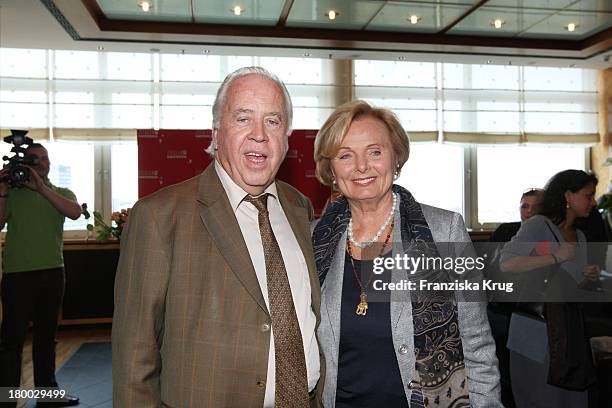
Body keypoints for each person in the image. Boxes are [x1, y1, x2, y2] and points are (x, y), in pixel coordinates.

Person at [112, 67, 322, 407]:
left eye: (273, 121)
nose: (259, 134)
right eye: (243, 119)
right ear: (215, 131)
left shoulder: (300, 208)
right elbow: (134, 358)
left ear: (286, 138)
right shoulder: (159, 217)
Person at [311, 100, 501, 407]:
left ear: (395, 157)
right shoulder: (312, 240)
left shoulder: (444, 231)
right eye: (346, 155)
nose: (361, 166)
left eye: (375, 151)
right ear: (331, 169)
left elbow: (476, 345)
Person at [500, 169, 601, 407]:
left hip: (567, 330)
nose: (594, 201)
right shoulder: (538, 226)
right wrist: (555, 257)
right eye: (589, 195)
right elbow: (506, 263)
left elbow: (570, 286)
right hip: (534, 328)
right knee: (538, 396)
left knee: (572, 395)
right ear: (568, 195)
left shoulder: (580, 237)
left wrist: (586, 277)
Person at [0, 143, 82, 407]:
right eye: (36, 159)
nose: (42, 163)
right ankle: (6, 399)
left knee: (46, 339)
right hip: (18, 275)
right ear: (26, 163)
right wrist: (2, 192)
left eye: (45, 158)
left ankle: (47, 396)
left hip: (52, 274)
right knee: (11, 341)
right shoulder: (12, 193)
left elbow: (75, 212)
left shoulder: (60, 192)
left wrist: (41, 189)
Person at [486, 188, 543, 406]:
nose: (528, 212)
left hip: (529, 312)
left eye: (535, 207)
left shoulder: (546, 236)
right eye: (524, 206)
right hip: (498, 305)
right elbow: (489, 268)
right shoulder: (506, 230)